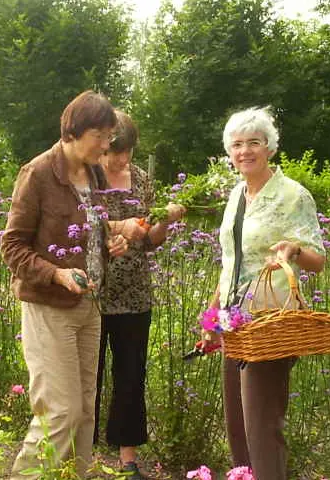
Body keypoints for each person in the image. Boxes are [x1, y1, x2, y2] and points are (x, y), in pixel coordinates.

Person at [0, 90, 130, 479]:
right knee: (60, 411)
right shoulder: (38, 174)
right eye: (101, 136)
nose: (107, 145)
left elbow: (92, 232)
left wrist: (110, 244)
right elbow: (11, 246)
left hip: (89, 306)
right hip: (48, 307)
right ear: (73, 131)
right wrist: (55, 273)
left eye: (110, 137)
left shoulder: (94, 174)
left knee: (85, 410)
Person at [201, 106, 326, 480]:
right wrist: (211, 317)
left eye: (254, 142)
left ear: (269, 147)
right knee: (237, 425)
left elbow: (318, 260)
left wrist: (293, 251)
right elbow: (231, 262)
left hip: (271, 322)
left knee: (261, 426)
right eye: (236, 145)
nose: (245, 151)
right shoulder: (236, 195)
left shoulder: (292, 195)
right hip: (233, 321)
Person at [93, 110, 185, 480]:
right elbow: (74, 227)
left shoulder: (142, 181)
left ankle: (127, 458)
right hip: (92, 295)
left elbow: (150, 242)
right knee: (88, 376)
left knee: (131, 374)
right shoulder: (87, 178)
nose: (122, 160)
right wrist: (116, 228)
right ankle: (79, 453)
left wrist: (165, 221)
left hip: (134, 294)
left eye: (128, 151)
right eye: (116, 151)